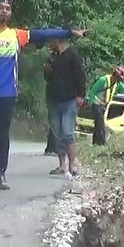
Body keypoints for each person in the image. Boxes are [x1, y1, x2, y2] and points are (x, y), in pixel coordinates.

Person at [0, 0, 89, 189]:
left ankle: (0, 175)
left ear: (10, 13)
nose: (4, 11)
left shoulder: (16, 35)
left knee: (3, 135)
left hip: (7, 93)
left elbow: (43, 33)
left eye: (8, 8)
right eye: (1, 7)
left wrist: (69, 32)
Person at [45, 37, 86, 179]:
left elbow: (80, 77)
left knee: (67, 132)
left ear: (58, 40)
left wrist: (81, 95)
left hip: (69, 99)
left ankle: (72, 165)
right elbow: (49, 79)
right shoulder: (52, 57)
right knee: (57, 134)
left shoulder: (72, 56)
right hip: (53, 99)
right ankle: (62, 164)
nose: (49, 44)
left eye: (51, 41)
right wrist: (47, 73)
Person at [86, 66, 124, 145]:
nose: (119, 80)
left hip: (103, 105)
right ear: (114, 75)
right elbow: (92, 92)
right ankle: (102, 143)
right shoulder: (103, 80)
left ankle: (95, 143)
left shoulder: (117, 84)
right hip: (96, 104)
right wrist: (93, 102)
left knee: (98, 124)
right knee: (100, 123)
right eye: (118, 78)